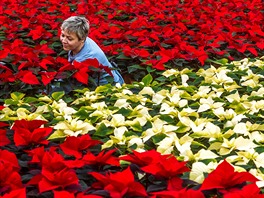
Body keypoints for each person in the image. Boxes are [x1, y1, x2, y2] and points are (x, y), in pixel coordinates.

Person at [60, 16, 124, 87]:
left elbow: (69, 85)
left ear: (82, 39)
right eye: (63, 35)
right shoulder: (81, 41)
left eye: (69, 38)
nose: (64, 40)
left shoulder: (88, 56)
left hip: (109, 88)